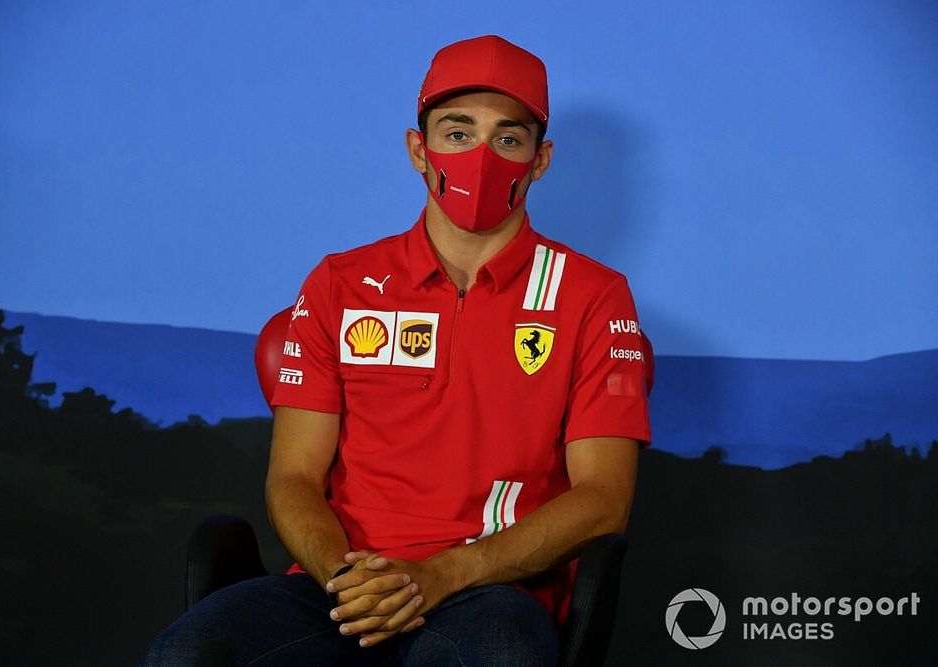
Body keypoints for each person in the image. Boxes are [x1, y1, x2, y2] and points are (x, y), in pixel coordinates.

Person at [142, 34, 650, 666]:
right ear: (418, 148)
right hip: (340, 588)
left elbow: (605, 499)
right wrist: (352, 582)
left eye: (508, 139)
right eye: (457, 133)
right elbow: (294, 476)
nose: (482, 157)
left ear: (540, 160)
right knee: (186, 656)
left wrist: (441, 575)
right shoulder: (338, 283)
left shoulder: (595, 296)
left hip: (489, 594)